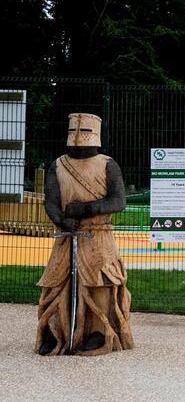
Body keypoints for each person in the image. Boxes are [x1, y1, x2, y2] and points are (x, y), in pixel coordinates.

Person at [35, 113, 134, 356]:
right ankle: (54, 330)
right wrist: (60, 219)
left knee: (100, 283)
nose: (79, 138)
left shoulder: (107, 164)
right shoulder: (58, 165)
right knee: (56, 283)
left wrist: (86, 209)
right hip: (66, 236)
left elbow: (118, 201)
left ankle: (97, 331)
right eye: (74, 133)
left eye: (84, 133)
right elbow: (51, 201)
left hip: (98, 237)